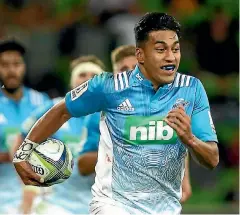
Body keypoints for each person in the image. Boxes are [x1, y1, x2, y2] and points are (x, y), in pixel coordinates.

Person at [13, 12, 219, 214]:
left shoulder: (191, 89)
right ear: (140, 54)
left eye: (176, 49)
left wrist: (190, 139)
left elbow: (212, 159)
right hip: (112, 205)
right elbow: (61, 111)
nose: (171, 57)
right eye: (160, 49)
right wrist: (23, 153)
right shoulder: (109, 87)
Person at [79, 44, 192, 203]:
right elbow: (83, 166)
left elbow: (177, 148)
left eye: (136, 68)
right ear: (114, 74)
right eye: (123, 69)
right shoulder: (99, 113)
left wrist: (182, 183)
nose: (130, 74)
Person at [17, 55, 104, 214]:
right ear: (72, 81)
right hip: (56, 201)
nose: (88, 79)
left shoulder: (111, 115)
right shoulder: (54, 108)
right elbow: (21, 137)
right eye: (82, 74)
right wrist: (28, 183)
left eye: (94, 76)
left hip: (97, 202)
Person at [0, 39, 50, 214]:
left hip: (39, 194)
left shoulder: (42, 101)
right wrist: (12, 155)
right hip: (3, 192)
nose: (11, 70)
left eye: (16, 64)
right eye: (4, 65)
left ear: (24, 67)